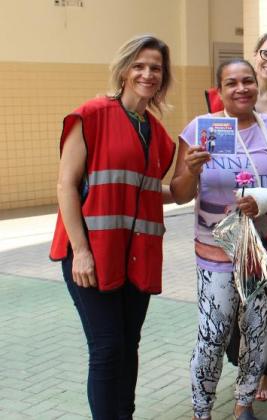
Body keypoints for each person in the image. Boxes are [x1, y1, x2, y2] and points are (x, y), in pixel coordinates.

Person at [49, 35, 177, 420]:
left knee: (128, 344)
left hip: (135, 256)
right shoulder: (92, 114)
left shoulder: (155, 132)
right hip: (91, 254)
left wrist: (196, 171)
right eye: (139, 65)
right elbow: (65, 185)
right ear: (123, 70)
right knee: (106, 348)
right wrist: (82, 252)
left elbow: (152, 190)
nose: (147, 73)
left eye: (155, 68)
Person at [171, 58, 267, 420]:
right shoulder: (199, 129)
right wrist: (192, 169)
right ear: (219, 90)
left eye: (247, 81)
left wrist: (266, 199)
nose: (241, 88)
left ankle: (244, 402)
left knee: (257, 327)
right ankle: (202, 410)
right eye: (231, 83)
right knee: (213, 333)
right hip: (217, 250)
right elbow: (179, 192)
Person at [206, 31, 267, 402]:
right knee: (237, 293)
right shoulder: (222, 102)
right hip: (235, 217)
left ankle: (265, 369)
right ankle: (243, 364)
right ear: (255, 55)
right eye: (266, 53)